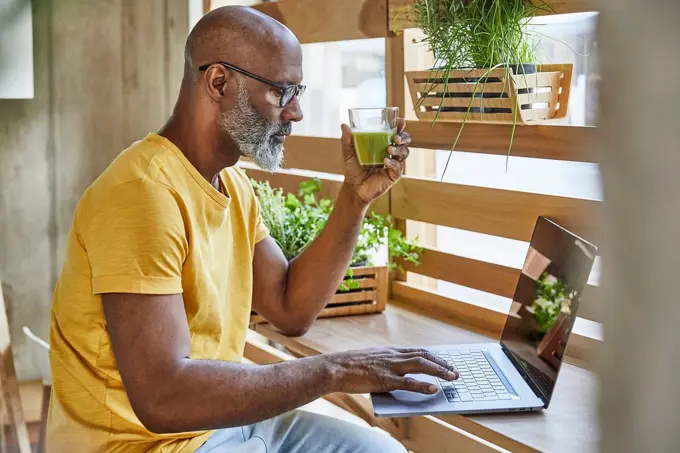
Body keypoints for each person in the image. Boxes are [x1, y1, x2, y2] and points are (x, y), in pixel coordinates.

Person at [46, 5, 459, 453]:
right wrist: (334, 370)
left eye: (298, 91)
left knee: (385, 452)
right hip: (148, 445)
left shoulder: (234, 186)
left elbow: (289, 309)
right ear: (219, 82)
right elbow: (162, 396)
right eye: (283, 92)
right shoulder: (140, 193)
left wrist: (354, 197)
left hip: (226, 423)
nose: (296, 113)